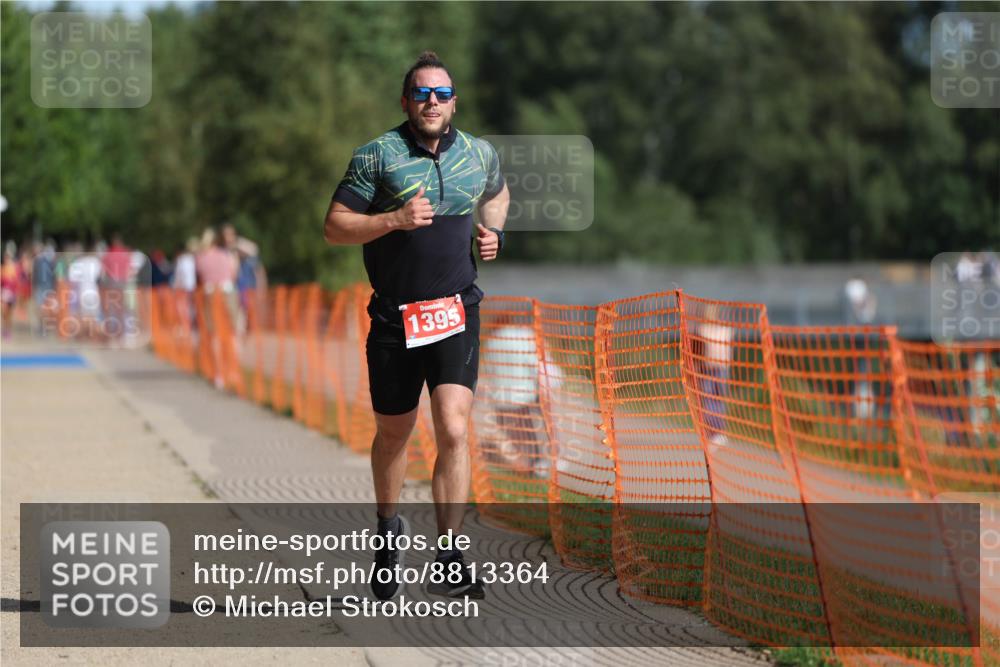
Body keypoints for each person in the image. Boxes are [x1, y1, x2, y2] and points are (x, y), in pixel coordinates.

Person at [324, 51, 509, 601]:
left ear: (455, 102)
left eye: (443, 94)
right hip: (393, 315)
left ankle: (448, 555)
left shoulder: (478, 154)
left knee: (453, 427)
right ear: (406, 101)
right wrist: (393, 219)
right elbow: (335, 226)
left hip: (455, 311)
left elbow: (496, 193)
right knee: (393, 433)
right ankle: (386, 533)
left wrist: (493, 232)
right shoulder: (377, 156)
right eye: (423, 93)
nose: (433, 102)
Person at [196, 228, 239, 389]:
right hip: (227, 293)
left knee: (214, 335)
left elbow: (199, 276)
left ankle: (219, 375)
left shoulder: (201, 258)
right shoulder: (227, 256)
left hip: (210, 295)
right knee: (232, 334)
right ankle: (233, 372)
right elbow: (233, 274)